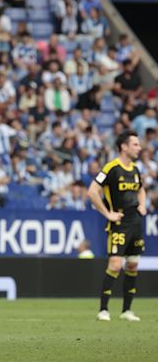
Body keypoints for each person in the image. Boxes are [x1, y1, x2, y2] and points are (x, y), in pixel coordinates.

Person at [87, 131, 146, 322]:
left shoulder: (136, 169)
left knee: (132, 264)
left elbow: (141, 189)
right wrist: (107, 213)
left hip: (135, 223)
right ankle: (103, 309)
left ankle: (126, 310)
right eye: (135, 144)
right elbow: (92, 191)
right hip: (119, 224)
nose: (139, 148)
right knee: (115, 264)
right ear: (124, 146)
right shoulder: (111, 168)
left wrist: (143, 205)